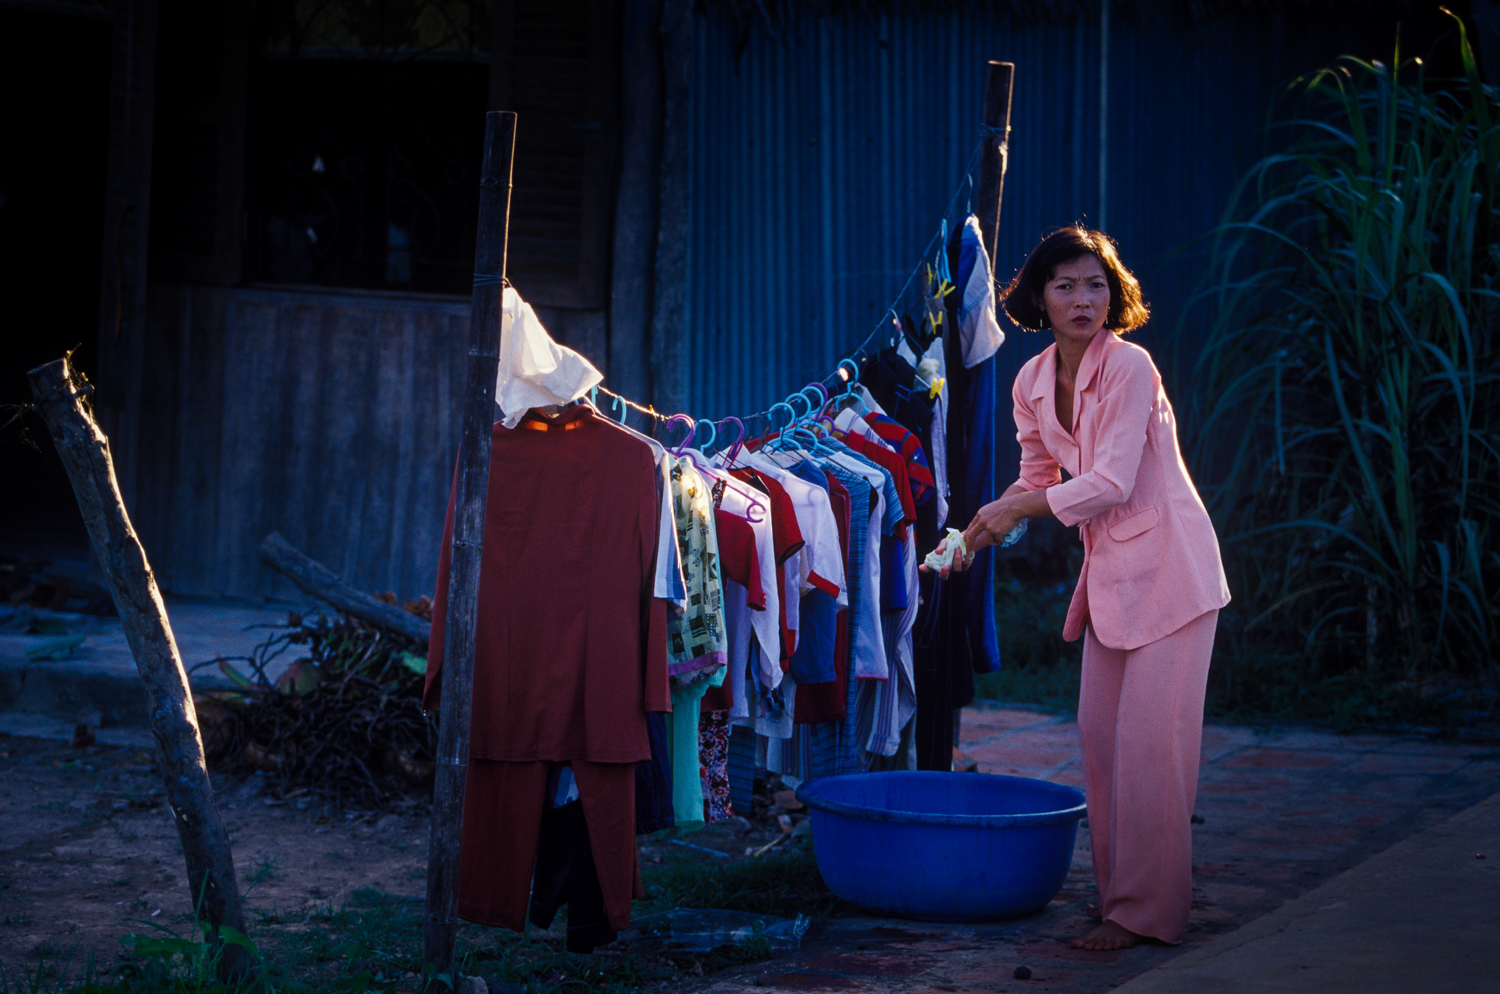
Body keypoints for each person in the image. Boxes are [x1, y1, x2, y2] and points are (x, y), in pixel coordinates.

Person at [926, 225, 1230, 951]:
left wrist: (1012, 510)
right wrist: (975, 532)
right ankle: (1120, 896)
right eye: (1065, 285)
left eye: (1096, 284)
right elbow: (1037, 483)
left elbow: (1112, 483)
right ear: (1038, 297)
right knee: (1102, 739)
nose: (1082, 299)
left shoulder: (1130, 368)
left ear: (1114, 295)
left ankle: (1144, 914)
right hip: (1114, 579)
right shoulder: (1031, 381)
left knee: (1151, 747)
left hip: (1174, 572)